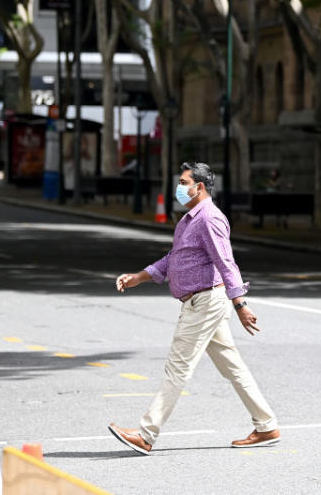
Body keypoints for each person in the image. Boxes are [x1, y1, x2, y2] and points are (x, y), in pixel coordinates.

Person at [108, 162, 279, 455]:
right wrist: (140, 277)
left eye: (184, 182)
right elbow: (176, 258)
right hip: (202, 302)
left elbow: (227, 263)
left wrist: (240, 304)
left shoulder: (209, 219)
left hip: (205, 302)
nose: (179, 188)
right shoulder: (190, 219)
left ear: (199, 187)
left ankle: (146, 434)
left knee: (177, 367)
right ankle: (266, 426)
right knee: (233, 366)